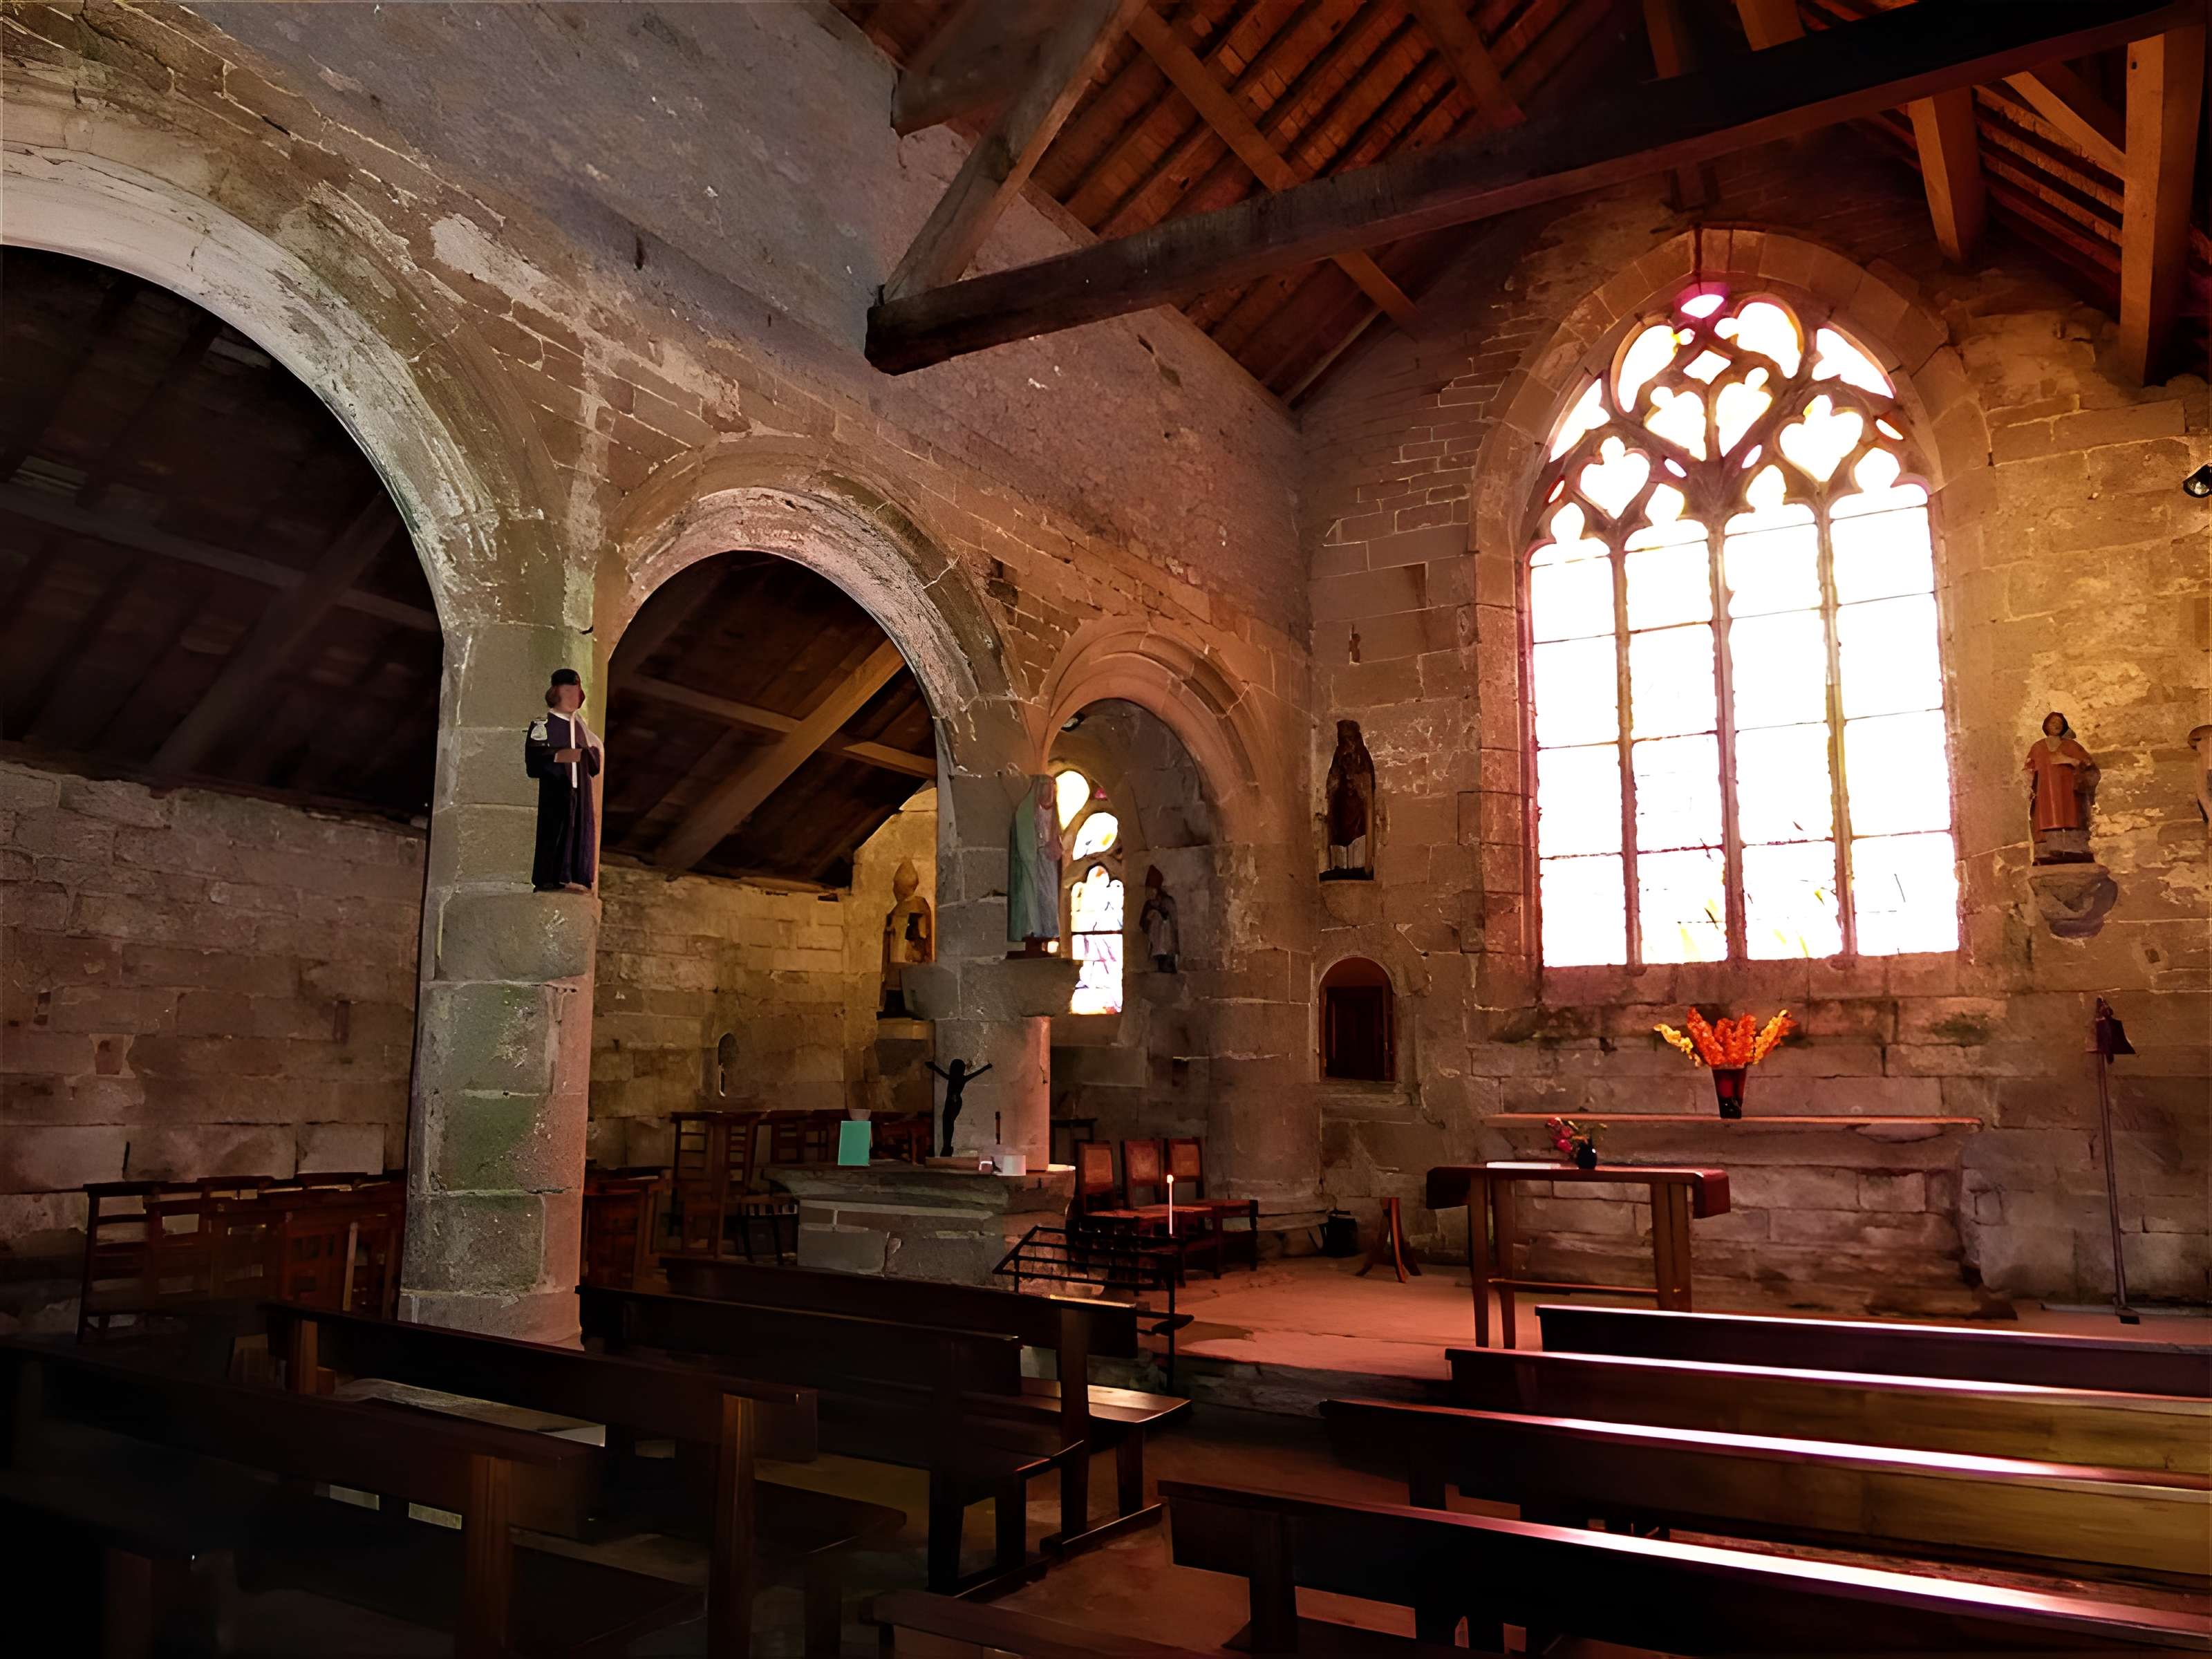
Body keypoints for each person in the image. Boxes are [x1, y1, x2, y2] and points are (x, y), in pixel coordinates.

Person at [526, 668, 603, 892]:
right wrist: (570, 755)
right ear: (556, 693)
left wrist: (589, 755)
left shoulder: (580, 728)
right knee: (555, 832)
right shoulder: (543, 724)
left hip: (580, 789)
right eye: (567, 691)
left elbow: (594, 761)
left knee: (577, 831)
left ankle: (576, 875)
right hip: (557, 786)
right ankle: (549, 877)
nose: (572, 697)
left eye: (575, 692)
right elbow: (535, 759)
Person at [2024, 711, 2097, 865]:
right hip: (2046, 792)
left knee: (2071, 814)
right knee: (2047, 816)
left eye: (2060, 723)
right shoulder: (2038, 747)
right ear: (2046, 726)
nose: (2057, 725)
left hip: (2067, 791)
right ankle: (2050, 847)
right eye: (2053, 723)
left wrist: (2069, 760)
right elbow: (2029, 769)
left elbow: (2087, 763)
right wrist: (2028, 786)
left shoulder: (2071, 745)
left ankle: (2073, 846)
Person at [926, 1057, 993, 1156]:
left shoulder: (955, 1078)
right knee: (948, 1123)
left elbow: (942, 1073)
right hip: (953, 1102)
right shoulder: (961, 1078)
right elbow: (977, 1073)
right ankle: (947, 1147)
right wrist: (987, 1067)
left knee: (948, 1123)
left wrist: (933, 1067)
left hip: (953, 1102)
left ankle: (947, 1147)